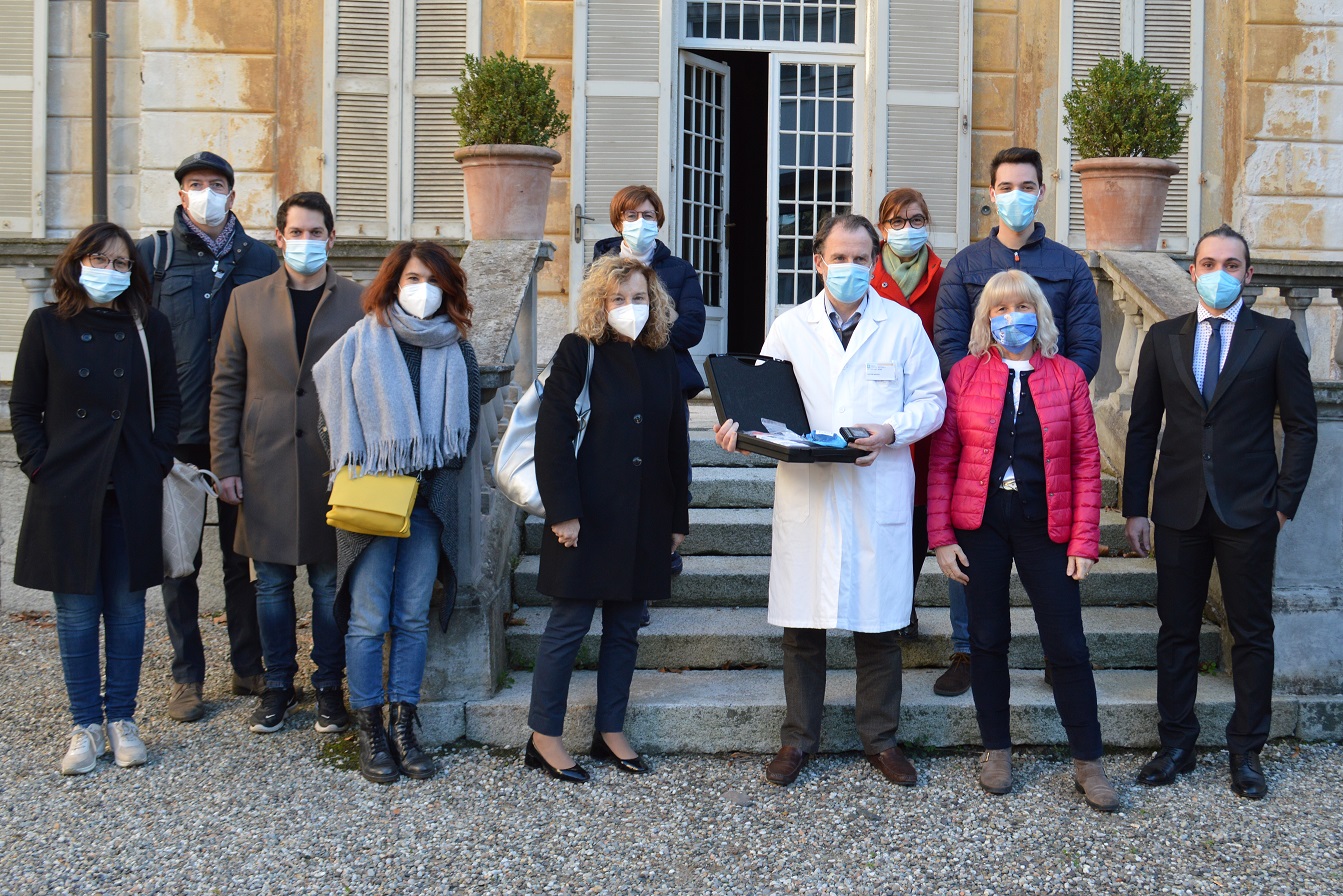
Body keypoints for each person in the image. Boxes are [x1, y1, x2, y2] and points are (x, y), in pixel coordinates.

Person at [715, 214, 945, 788]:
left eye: (861, 258)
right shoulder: (791, 326)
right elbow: (763, 402)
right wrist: (742, 436)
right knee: (803, 625)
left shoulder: (903, 327)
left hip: (876, 486)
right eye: (839, 258)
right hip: (810, 491)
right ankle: (797, 740)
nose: (850, 268)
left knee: (880, 626)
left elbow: (932, 401)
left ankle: (881, 739)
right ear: (819, 262)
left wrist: (891, 430)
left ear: (876, 262)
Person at [1124, 224, 1317, 800]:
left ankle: (1246, 751)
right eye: (1209, 262)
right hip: (1179, 509)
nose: (1219, 273)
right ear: (1192, 272)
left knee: (1251, 631)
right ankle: (1176, 742)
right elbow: (1140, 429)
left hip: (1250, 510)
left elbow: (1302, 427)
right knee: (1176, 630)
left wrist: (1284, 503)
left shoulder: (1276, 338)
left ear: (1248, 275)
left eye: (1232, 264)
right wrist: (1137, 508)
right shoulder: (1162, 338)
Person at [927, 270, 1117, 811]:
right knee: (986, 640)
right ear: (987, 320)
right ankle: (996, 751)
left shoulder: (1067, 378)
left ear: (1040, 312)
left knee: (1068, 644)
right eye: (1000, 310)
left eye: (1021, 306)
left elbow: (1085, 463)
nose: (1012, 318)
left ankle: (1089, 761)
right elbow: (943, 462)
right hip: (979, 523)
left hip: (1046, 523)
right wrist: (941, 537)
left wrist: (1084, 541)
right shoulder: (963, 376)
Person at [930, 146, 1103, 698]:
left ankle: (1059, 655)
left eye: (1027, 186)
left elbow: (1086, 344)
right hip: (980, 413)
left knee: (1048, 560)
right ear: (991, 194)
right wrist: (979, 393)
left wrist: (1056, 392)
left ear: (1042, 192)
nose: (1016, 196)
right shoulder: (965, 266)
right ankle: (967, 650)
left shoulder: (1068, 266)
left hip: (1046, 415)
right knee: (971, 525)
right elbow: (949, 342)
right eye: (1006, 186)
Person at [12, 223, 181, 773]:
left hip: (130, 483)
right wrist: (40, 465)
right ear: (76, 262)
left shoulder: (148, 326)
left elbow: (170, 402)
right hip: (68, 488)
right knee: (78, 614)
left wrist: (156, 460)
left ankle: (122, 718)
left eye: (121, 264)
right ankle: (84, 724)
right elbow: (24, 408)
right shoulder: (46, 325)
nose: (109, 272)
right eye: (100, 260)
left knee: (129, 610)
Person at [314, 240, 482, 784]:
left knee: (411, 617)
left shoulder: (458, 349)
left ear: (449, 289)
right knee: (367, 619)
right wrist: (383, 462)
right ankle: (368, 732)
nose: (422, 289)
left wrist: (425, 466)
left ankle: (404, 727)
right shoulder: (358, 344)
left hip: (431, 503)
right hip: (372, 501)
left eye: (433, 280)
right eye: (412, 278)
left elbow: (468, 431)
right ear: (392, 283)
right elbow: (330, 426)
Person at [524, 255, 690, 783]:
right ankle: (544, 736)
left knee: (625, 628)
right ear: (600, 303)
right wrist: (563, 512)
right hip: (586, 514)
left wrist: (677, 517)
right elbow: (551, 435)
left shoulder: (664, 358)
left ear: (655, 302)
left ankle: (610, 730)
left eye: (638, 297)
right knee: (568, 625)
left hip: (646, 515)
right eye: (618, 299)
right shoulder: (577, 352)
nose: (629, 307)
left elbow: (676, 442)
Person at [210, 192, 365, 736]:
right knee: (270, 585)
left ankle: (328, 688)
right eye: (295, 233)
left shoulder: (357, 300)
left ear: (331, 237)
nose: (305, 242)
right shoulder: (245, 300)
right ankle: (277, 685)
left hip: (330, 462)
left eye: (315, 232)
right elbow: (226, 385)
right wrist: (225, 462)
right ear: (278, 238)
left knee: (328, 584)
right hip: (265, 462)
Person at [136, 151, 279, 722]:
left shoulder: (263, 259)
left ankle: (248, 666)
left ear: (233, 195)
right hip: (178, 437)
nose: (206, 194)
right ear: (180, 195)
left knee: (241, 558)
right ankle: (187, 677)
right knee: (180, 560)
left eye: (216, 185)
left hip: (246, 435)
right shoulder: (155, 257)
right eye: (195, 185)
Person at [594, 185, 706, 608]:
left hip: (665, 382)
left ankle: (667, 546)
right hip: (614, 383)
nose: (641, 222)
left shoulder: (678, 268)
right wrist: (661, 317)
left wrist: (643, 324)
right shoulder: (602, 264)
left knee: (671, 464)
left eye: (648, 214)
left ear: (659, 218)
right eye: (631, 215)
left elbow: (693, 327)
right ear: (618, 221)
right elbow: (596, 320)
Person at [869, 187, 945, 642]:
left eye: (916, 220)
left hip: (924, 410)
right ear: (882, 229)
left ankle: (906, 605)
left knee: (917, 514)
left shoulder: (944, 275)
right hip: (876, 411)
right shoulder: (864, 273)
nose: (907, 229)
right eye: (897, 221)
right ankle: (887, 605)